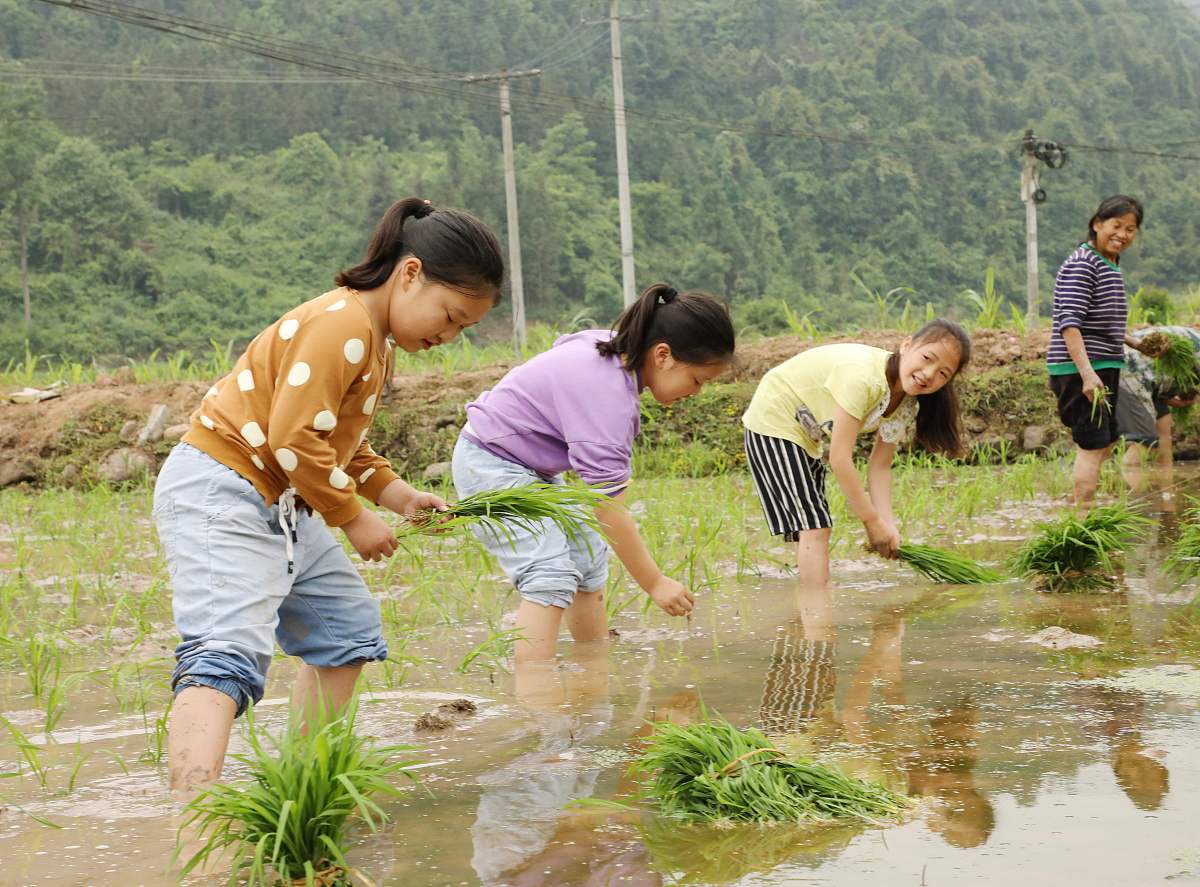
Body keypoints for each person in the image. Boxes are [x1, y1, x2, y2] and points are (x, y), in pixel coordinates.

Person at [153, 197, 504, 791]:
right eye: (449, 317)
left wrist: (399, 497)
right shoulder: (341, 324)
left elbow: (337, 443)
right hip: (223, 486)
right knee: (225, 650)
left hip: (284, 498)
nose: (448, 335)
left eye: (462, 329)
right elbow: (293, 438)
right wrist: (353, 517)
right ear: (410, 273)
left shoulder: (373, 341)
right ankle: (191, 808)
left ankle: (303, 787)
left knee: (345, 632)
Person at [451, 283, 735, 662]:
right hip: (490, 463)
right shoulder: (608, 398)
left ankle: (593, 670)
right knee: (549, 573)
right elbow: (608, 509)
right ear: (663, 355)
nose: (696, 392)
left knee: (586, 554)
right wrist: (655, 582)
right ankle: (536, 689)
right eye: (698, 380)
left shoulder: (609, 349)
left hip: (528, 466)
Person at [741, 319, 970, 586]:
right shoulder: (864, 378)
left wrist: (888, 525)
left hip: (807, 434)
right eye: (927, 358)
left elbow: (880, 466)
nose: (929, 374)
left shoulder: (907, 403)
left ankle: (807, 607)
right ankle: (817, 608)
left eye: (943, 373)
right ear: (907, 345)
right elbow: (839, 458)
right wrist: (872, 522)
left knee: (810, 527)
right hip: (775, 416)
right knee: (815, 527)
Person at [1046, 195, 1163, 510]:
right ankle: (1083, 521)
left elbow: (1101, 323)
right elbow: (1070, 324)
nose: (1123, 235)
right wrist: (1087, 374)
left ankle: (1078, 504)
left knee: (1106, 440)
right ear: (1097, 224)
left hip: (1103, 364)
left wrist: (1137, 344)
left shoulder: (1108, 263)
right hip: (1081, 368)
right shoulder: (1083, 263)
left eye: (1130, 229)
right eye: (1116, 226)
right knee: (1092, 444)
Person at [1117, 325, 1200, 473]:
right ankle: (1128, 486)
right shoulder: (1194, 346)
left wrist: (1179, 402)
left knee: (1164, 430)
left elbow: (1164, 384)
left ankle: (1166, 483)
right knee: (1146, 442)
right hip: (1129, 374)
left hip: (1145, 378)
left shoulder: (1189, 343)